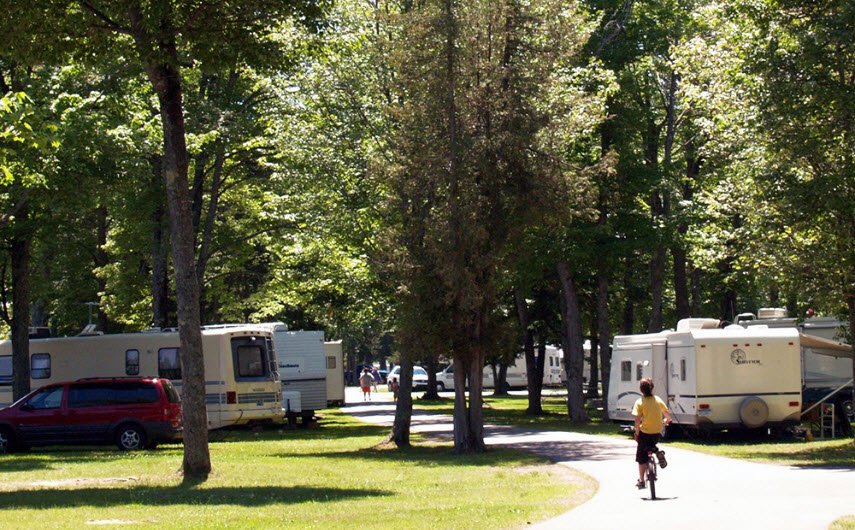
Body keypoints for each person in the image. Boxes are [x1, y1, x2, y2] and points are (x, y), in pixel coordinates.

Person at [632, 377, 672, 489]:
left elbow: (637, 420)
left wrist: (637, 432)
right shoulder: (658, 400)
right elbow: (668, 416)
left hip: (644, 432)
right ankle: (657, 452)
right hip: (657, 431)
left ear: (641, 390)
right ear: (652, 388)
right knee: (652, 444)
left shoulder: (639, 402)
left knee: (641, 457)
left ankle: (641, 481)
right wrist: (665, 421)